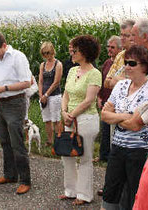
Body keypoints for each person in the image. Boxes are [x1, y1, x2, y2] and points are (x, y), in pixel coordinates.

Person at [101, 45, 148, 210]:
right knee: (110, 192)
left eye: (132, 63)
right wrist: (125, 116)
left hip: (139, 151)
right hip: (117, 147)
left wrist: (114, 117)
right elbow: (104, 114)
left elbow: (135, 125)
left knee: (134, 194)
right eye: (126, 62)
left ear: (144, 66)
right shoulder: (121, 86)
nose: (127, 66)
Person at [0, 32, 32, 194]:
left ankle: (25, 180)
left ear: (4, 45)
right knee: (4, 141)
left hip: (15, 102)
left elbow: (27, 82)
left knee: (17, 143)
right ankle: (10, 174)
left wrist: (4, 88)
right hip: (0, 102)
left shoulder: (17, 57)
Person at [60, 35, 102, 205]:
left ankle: (84, 195)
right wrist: (64, 112)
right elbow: (66, 94)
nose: (72, 53)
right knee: (67, 156)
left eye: (74, 50)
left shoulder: (95, 74)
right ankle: (70, 190)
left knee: (85, 157)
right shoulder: (71, 70)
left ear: (84, 52)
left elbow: (89, 100)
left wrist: (72, 115)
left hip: (86, 120)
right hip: (69, 118)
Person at [97, 35, 122, 162]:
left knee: (113, 131)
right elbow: (102, 81)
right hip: (105, 99)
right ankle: (103, 156)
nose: (109, 49)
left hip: (116, 102)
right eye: (108, 46)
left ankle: (112, 158)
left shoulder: (122, 65)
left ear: (119, 49)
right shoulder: (107, 63)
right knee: (105, 130)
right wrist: (99, 96)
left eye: (112, 47)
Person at [38, 41, 63, 146]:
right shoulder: (42, 65)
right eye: (44, 53)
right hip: (44, 96)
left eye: (47, 53)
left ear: (52, 51)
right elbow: (40, 81)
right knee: (47, 119)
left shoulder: (58, 64)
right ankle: (49, 140)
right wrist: (40, 95)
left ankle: (58, 141)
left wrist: (46, 95)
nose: (46, 55)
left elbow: (56, 82)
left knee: (56, 119)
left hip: (54, 95)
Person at [104, 19, 135, 89]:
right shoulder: (120, 56)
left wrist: (116, 80)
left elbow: (138, 84)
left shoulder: (143, 56)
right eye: (121, 35)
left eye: (126, 36)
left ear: (134, 36)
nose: (122, 38)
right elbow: (106, 83)